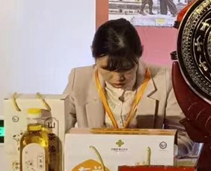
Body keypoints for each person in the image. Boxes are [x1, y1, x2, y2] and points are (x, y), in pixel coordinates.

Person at [64, 19, 193, 154]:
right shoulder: (79, 80)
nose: (118, 78)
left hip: (145, 163)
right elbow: (59, 131)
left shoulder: (165, 79)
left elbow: (184, 137)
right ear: (93, 54)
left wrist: (163, 151)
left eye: (127, 69)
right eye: (107, 69)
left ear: (139, 54)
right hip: (93, 163)